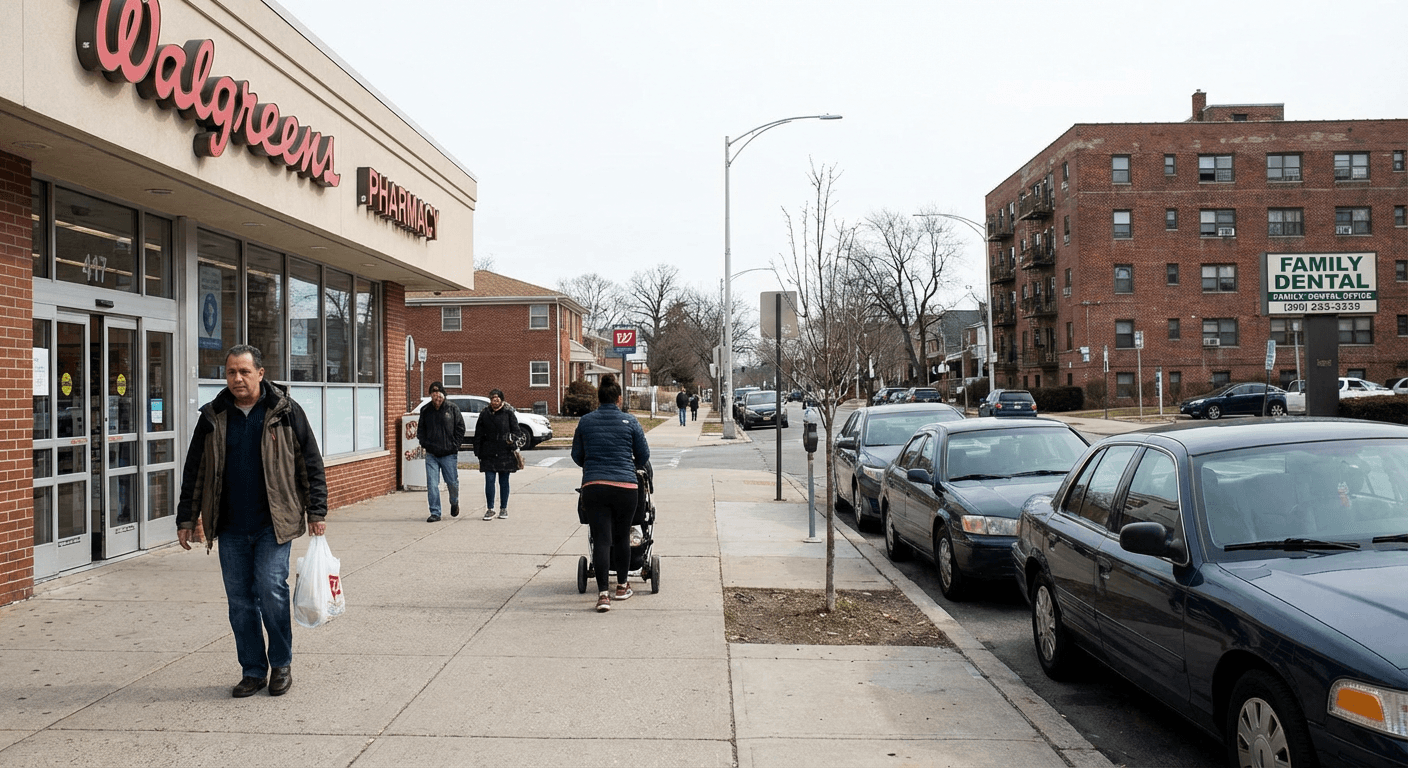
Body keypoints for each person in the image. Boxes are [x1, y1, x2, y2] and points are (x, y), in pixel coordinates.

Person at [176, 345, 327, 699]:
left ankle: (281, 663)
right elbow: (194, 470)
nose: (237, 378)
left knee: (272, 591)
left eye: (244, 371)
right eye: (231, 372)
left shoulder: (285, 412)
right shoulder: (213, 416)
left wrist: (316, 511)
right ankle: (253, 670)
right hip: (230, 526)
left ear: (260, 373)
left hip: (274, 523)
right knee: (240, 601)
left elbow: (310, 463)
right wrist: (187, 516)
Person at [572, 374, 650, 612]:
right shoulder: (631, 421)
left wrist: (593, 465)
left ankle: (603, 595)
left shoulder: (585, 422)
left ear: (598, 398)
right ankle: (622, 586)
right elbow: (643, 456)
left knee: (602, 539)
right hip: (625, 488)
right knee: (622, 536)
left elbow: (577, 455)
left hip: (595, 486)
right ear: (619, 398)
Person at [418, 381, 465, 522]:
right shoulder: (426, 410)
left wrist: (454, 445)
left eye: (439, 393)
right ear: (430, 395)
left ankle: (454, 502)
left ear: (443, 394)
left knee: (452, 483)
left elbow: (460, 428)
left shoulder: (452, 409)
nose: (436, 396)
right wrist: (425, 443)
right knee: (432, 484)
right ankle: (435, 512)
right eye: (433, 393)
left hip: (449, 454)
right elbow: (421, 431)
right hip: (432, 454)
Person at [474, 388, 520, 520]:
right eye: (493, 398)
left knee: (504, 481)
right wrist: (477, 450)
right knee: (489, 480)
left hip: (505, 452)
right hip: (488, 453)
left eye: (498, 398)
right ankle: (490, 509)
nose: (495, 400)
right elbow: (478, 434)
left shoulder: (509, 413)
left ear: (502, 400)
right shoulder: (484, 414)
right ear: (490, 400)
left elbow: (517, 432)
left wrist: (511, 439)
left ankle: (503, 508)